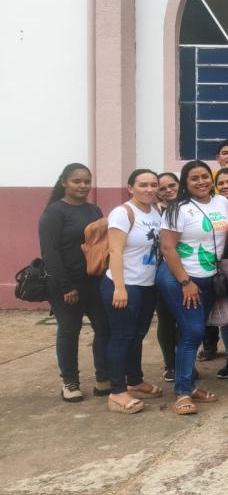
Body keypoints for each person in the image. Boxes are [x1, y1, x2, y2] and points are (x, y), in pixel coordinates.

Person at [157, 160, 228, 415]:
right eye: (194, 178)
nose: (201, 182)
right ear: (185, 184)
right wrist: (186, 282)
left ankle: (188, 383)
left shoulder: (222, 203)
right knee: (193, 332)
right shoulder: (177, 209)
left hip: (209, 277)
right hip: (180, 278)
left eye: (204, 176)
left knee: (192, 334)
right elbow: (167, 248)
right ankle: (182, 393)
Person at [39, 163, 109, 402]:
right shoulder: (54, 212)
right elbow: (50, 253)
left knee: (104, 328)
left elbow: (101, 245)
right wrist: (65, 286)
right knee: (70, 331)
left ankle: (103, 378)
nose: (82, 186)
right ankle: (70, 381)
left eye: (86, 181)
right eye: (77, 181)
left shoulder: (94, 210)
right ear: (64, 183)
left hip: (95, 282)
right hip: (66, 285)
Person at [99, 169, 163, 414]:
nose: (149, 189)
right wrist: (119, 286)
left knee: (137, 335)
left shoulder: (155, 212)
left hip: (147, 285)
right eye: (143, 184)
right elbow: (115, 251)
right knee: (121, 336)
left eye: (153, 185)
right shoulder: (123, 212)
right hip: (125, 285)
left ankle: (134, 380)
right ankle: (117, 392)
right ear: (131, 188)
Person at [200, 167, 228, 363]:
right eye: (221, 183)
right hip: (222, 265)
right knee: (225, 316)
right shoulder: (213, 207)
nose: (226, 186)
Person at [155, 172, 181, 381]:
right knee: (166, 319)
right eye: (162, 188)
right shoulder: (153, 212)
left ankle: (183, 361)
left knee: (185, 321)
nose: (168, 190)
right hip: (160, 273)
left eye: (172, 185)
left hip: (188, 270)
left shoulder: (188, 207)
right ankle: (170, 363)